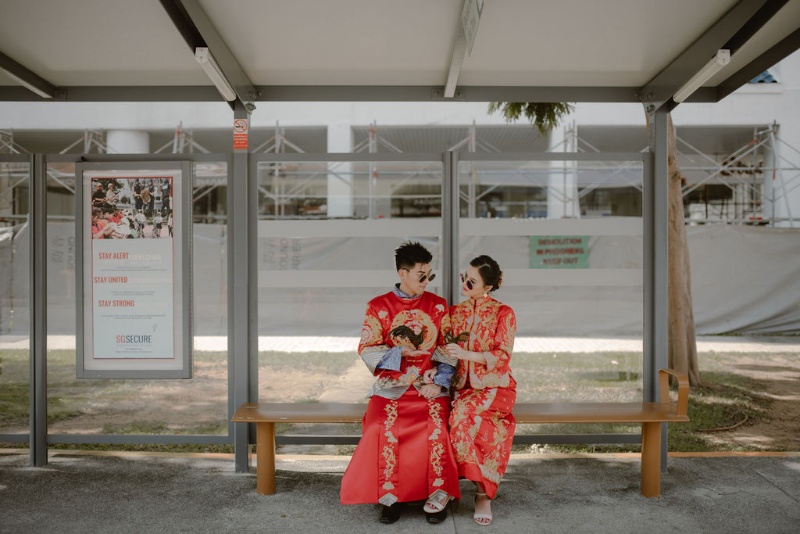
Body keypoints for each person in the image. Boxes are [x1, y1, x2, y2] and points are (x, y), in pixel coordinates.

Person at [340, 241, 461, 525]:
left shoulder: (438, 306)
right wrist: (400, 353)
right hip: (391, 386)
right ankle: (390, 496)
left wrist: (441, 383)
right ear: (402, 272)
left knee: (436, 426)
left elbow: (448, 349)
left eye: (429, 275)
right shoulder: (378, 307)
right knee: (380, 426)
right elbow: (367, 348)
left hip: (428, 385)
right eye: (421, 275)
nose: (426, 281)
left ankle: (437, 494)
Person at [445, 255, 517, 527]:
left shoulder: (503, 313)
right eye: (464, 277)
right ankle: (452, 487)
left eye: (471, 281)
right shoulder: (455, 312)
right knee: (459, 420)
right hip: (464, 387)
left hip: (496, 386)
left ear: (488, 286)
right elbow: (444, 349)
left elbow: (502, 356)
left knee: (464, 421)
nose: (464, 283)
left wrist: (466, 353)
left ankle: (482, 493)